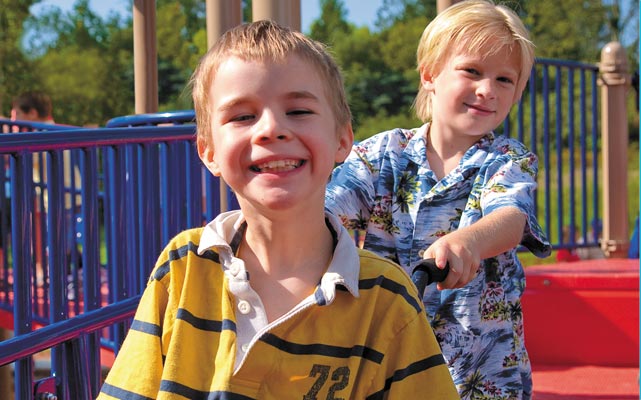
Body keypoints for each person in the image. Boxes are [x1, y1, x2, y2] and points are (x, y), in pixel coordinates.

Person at [98, 20, 458, 399]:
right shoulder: (183, 268)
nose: (271, 129)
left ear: (342, 139)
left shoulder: (386, 299)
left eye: (299, 111)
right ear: (208, 152)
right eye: (242, 116)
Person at [325, 1, 551, 398]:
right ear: (430, 75)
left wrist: (467, 242)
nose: (487, 90)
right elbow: (332, 207)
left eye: (504, 80)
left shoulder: (508, 159)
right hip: (391, 356)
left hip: (483, 366)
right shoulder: (380, 155)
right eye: (472, 71)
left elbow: (509, 217)